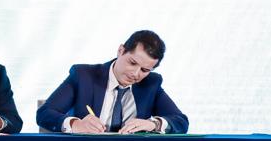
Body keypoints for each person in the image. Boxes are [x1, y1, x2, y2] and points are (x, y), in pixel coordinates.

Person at [36, 29, 188, 134]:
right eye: (132, 63)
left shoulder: (151, 84)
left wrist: (153, 124)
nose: (135, 74)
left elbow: (181, 121)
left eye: (145, 70)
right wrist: (76, 124)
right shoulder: (83, 76)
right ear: (121, 51)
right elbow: (44, 113)